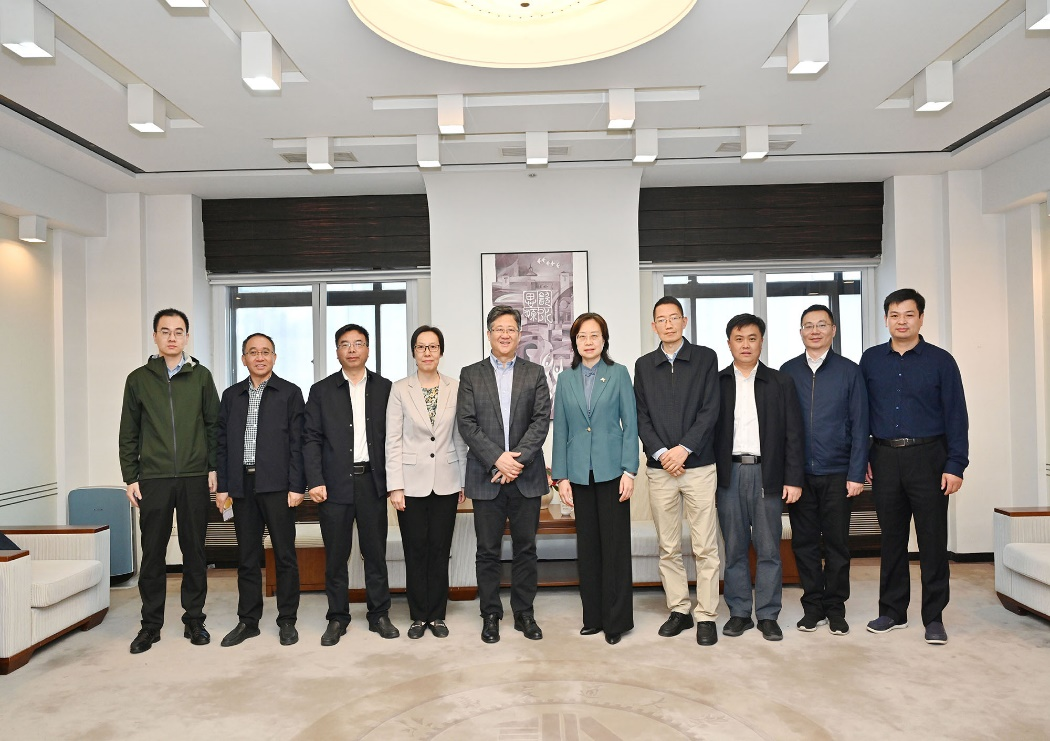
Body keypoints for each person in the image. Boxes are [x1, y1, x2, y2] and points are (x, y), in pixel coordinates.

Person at [860, 288, 968, 645]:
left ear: (921, 318)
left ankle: (933, 617)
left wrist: (956, 464)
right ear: (886, 319)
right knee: (891, 539)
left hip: (929, 458)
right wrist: (864, 457)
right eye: (894, 315)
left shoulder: (941, 361)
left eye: (908, 314)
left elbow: (956, 415)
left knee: (932, 541)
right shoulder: (871, 360)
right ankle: (892, 611)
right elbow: (861, 414)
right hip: (885, 457)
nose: (901, 321)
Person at [119, 308, 220, 654]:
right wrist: (131, 476)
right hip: (154, 478)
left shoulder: (201, 377)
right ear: (155, 337)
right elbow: (128, 432)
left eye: (178, 331)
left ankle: (194, 620)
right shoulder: (138, 379)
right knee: (153, 554)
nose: (172, 337)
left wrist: (213, 467)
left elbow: (213, 425)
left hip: (194, 477)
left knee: (195, 551)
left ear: (187, 337)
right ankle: (150, 625)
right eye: (165, 331)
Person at [457, 305, 551, 644]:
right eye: (499, 329)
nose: (505, 334)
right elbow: (466, 423)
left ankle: (524, 612)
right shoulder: (471, 374)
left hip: (526, 476)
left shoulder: (535, 373)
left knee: (526, 548)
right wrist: (497, 459)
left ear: (519, 334)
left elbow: (541, 421)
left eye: (511, 329)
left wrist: (516, 462)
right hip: (486, 476)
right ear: (489, 334)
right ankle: (490, 614)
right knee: (487, 550)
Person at [633, 296, 722, 646]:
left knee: (705, 546)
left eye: (674, 318)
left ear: (684, 322)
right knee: (668, 546)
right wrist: (661, 453)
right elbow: (641, 416)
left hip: (698, 466)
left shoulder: (705, 358)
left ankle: (706, 615)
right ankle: (680, 610)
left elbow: (710, 410)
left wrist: (684, 449)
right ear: (653, 326)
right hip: (660, 470)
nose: (668, 324)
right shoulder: (644, 365)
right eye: (661, 319)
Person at [303, 323, 398, 646]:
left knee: (375, 553)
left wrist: (393, 482)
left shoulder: (386, 388)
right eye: (345, 344)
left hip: (372, 482)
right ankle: (337, 617)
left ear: (368, 349)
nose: (352, 349)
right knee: (336, 556)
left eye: (358, 343)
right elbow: (311, 438)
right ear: (337, 352)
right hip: (333, 485)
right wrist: (314, 480)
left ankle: (379, 614)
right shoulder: (321, 391)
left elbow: (394, 439)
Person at [714, 313, 804, 641]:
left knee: (768, 549)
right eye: (739, 339)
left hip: (768, 473)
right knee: (735, 547)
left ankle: (767, 614)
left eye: (752, 338)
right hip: (729, 473)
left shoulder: (780, 382)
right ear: (729, 344)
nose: (745, 345)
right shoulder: (717, 383)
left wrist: (793, 479)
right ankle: (739, 612)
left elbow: (794, 434)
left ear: (761, 342)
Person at [780, 305, 868, 636]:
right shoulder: (788, 371)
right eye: (808, 325)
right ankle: (813, 606)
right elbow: (781, 427)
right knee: (803, 544)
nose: (814, 331)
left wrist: (856, 474)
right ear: (800, 332)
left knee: (836, 545)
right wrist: (787, 475)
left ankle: (836, 607)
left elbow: (861, 425)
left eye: (821, 325)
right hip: (799, 476)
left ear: (833, 330)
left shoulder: (849, 371)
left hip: (838, 473)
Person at [552, 313, 638, 645]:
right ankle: (593, 617)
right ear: (574, 343)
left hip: (613, 472)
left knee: (614, 548)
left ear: (604, 340)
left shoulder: (619, 374)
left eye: (594, 335)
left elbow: (630, 425)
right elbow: (561, 430)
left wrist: (629, 470)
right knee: (587, 548)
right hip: (579, 474)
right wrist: (561, 477)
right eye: (582, 337)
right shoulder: (565, 379)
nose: (588, 342)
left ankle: (616, 621)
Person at [215, 333, 305, 647]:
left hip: (278, 486)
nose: (260, 357)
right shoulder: (231, 395)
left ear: (274, 357)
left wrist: (297, 486)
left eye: (265, 352)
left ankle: (287, 620)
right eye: (253, 352)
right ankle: (248, 621)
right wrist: (223, 487)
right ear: (244, 359)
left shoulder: (290, 393)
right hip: (242, 486)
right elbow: (222, 444)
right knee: (247, 557)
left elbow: (298, 444)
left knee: (285, 555)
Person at [386, 325, 468, 639]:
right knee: (415, 549)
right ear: (414, 352)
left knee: (440, 548)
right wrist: (395, 485)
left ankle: (438, 615)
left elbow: (460, 437)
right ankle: (419, 615)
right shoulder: (400, 389)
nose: (427, 353)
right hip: (410, 483)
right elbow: (393, 440)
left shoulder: (455, 387)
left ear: (441, 352)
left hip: (447, 480)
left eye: (433, 347)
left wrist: (462, 480)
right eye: (421, 347)